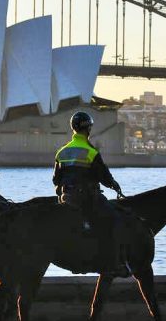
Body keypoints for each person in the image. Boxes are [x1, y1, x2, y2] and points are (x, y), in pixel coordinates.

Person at [52, 111, 130, 276]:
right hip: (86, 198)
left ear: (73, 128)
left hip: (66, 197)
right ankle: (114, 263)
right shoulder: (91, 151)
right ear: (88, 129)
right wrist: (115, 186)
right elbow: (104, 177)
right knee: (115, 218)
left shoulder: (62, 152)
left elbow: (55, 180)